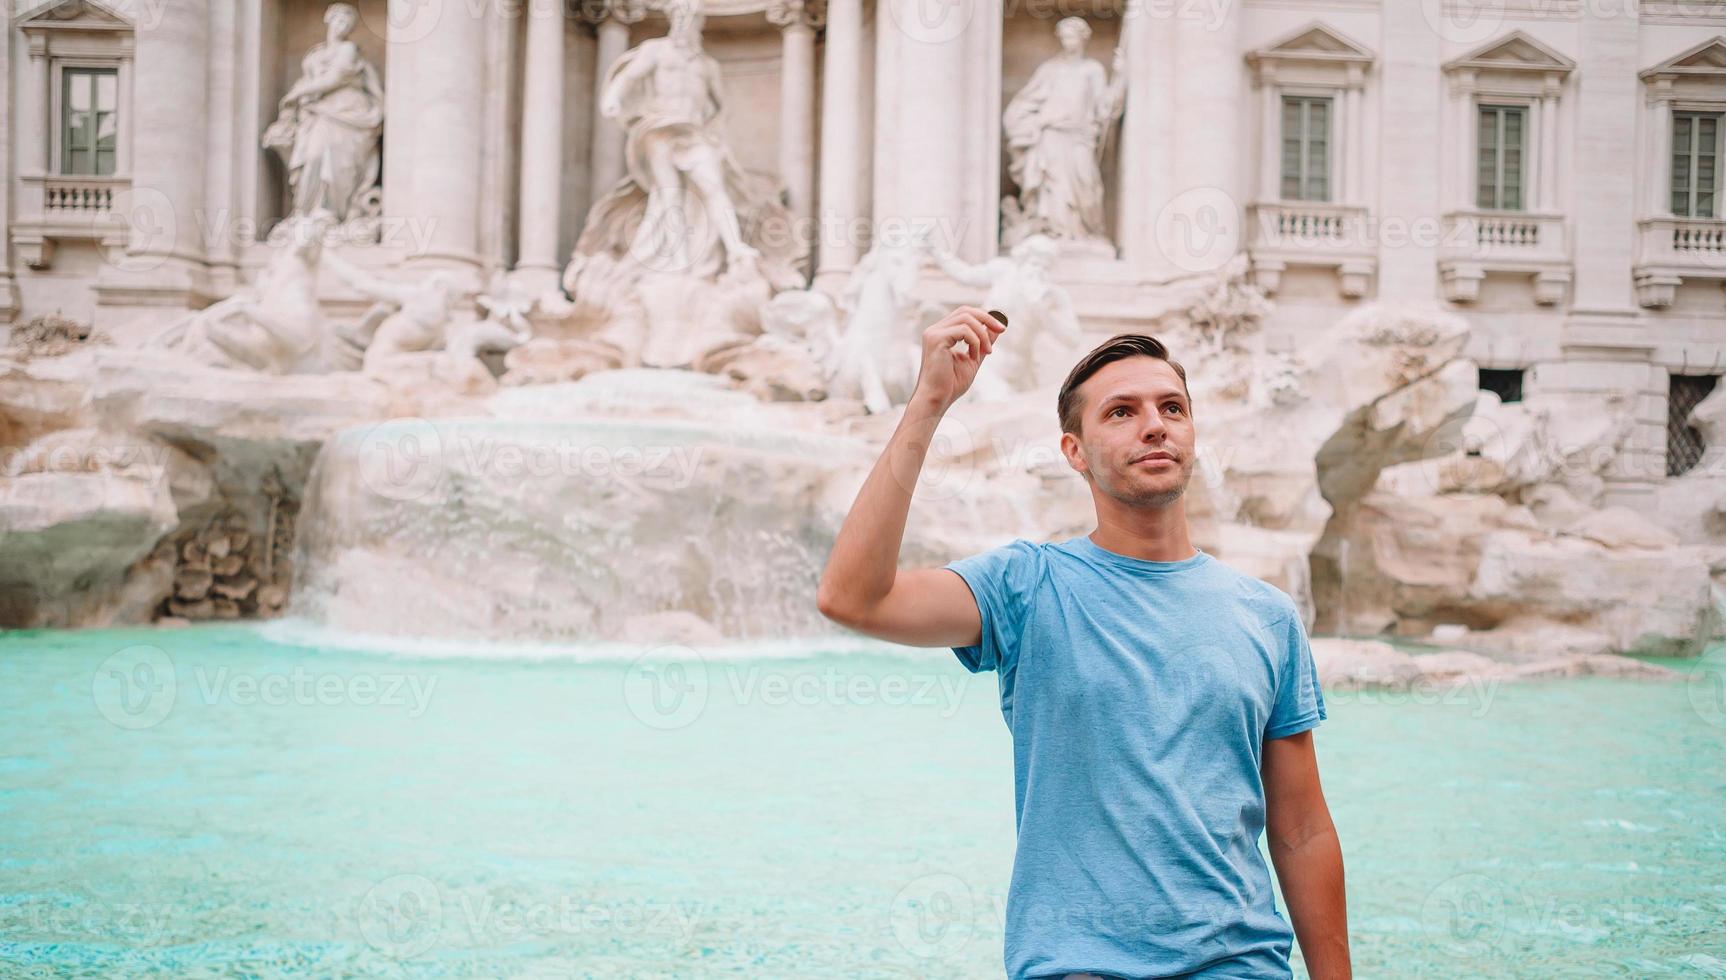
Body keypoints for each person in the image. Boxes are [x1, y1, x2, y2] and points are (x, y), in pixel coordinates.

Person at [816, 308, 1350, 980]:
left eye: (1172, 408)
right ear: (1075, 452)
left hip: (1242, 965)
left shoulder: (1267, 616)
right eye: (1121, 412)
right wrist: (929, 403)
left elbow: (1301, 829)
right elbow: (853, 598)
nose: (1154, 423)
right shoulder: (1025, 587)